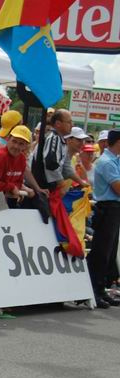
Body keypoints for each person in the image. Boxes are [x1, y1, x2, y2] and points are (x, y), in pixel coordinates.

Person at [87, 129, 120, 308]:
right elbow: (118, 188)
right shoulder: (107, 162)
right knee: (101, 252)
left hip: (114, 209)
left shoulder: (115, 160)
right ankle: (94, 290)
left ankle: (101, 290)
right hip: (107, 208)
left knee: (109, 251)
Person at [32, 109, 90, 191]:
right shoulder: (53, 138)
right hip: (42, 187)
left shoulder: (61, 140)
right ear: (58, 124)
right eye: (69, 122)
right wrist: (61, 183)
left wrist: (81, 182)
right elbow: (50, 163)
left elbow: (67, 167)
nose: (72, 125)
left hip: (49, 188)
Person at [0, 125, 47, 208]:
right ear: (8, 139)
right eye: (14, 141)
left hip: (8, 199)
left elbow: (18, 182)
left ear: (26, 145)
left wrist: (21, 189)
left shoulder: (22, 159)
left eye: (21, 144)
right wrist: (12, 188)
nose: (16, 146)